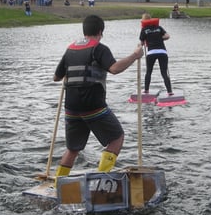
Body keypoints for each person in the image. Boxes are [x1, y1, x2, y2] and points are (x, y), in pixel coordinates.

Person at [52, 15, 143, 179]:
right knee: (116, 138)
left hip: (71, 107)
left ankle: (58, 183)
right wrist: (135, 55)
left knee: (73, 149)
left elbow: (56, 77)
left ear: (84, 30)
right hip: (92, 105)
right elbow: (114, 69)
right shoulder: (99, 48)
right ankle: (100, 179)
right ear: (100, 31)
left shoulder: (70, 49)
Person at [139, 13, 173, 95]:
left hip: (151, 53)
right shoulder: (159, 28)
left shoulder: (144, 30)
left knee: (149, 72)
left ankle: (146, 90)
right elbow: (167, 36)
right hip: (162, 52)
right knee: (164, 72)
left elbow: (142, 42)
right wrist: (159, 38)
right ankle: (170, 92)